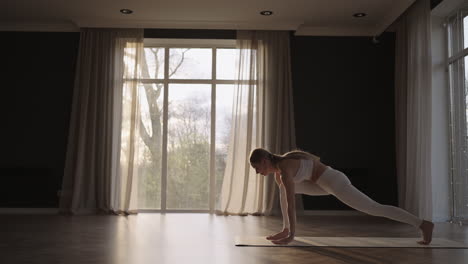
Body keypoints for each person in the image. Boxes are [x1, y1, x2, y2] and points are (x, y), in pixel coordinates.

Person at [249, 148, 434, 245]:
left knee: (374, 208)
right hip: (322, 184)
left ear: (265, 161)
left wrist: (293, 235)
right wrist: (287, 230)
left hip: (334, 181)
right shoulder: (279, 175)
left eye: (257, 168)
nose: (258, 172)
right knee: (282, 188)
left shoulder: (284, 168)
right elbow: (289, 195)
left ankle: (422, 224)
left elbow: (291, 204)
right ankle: (285, 229)